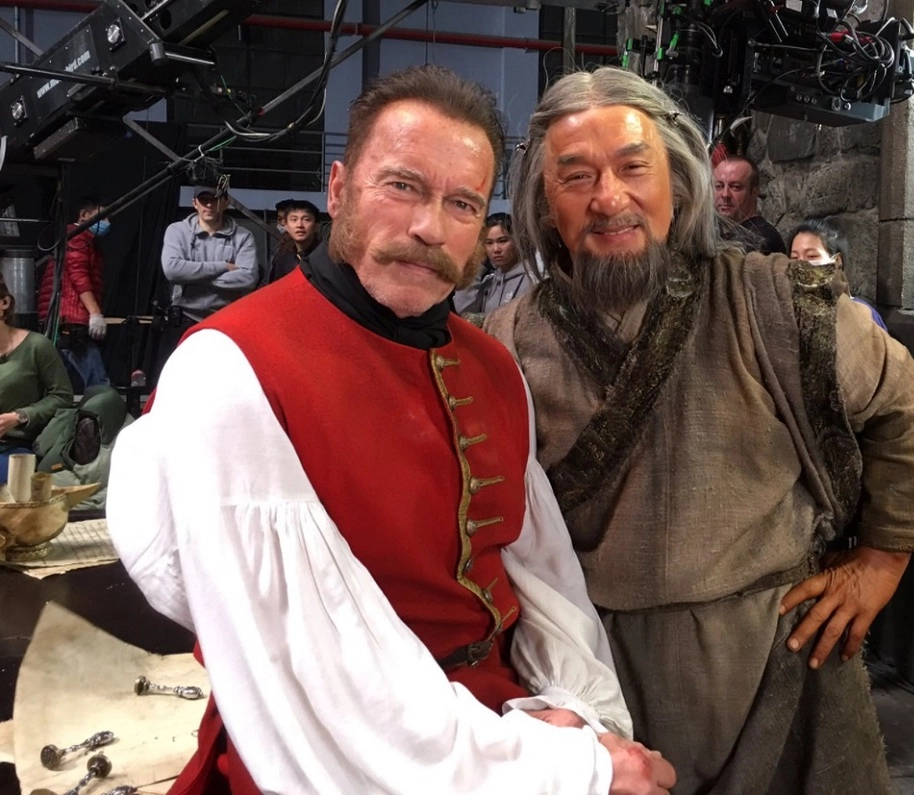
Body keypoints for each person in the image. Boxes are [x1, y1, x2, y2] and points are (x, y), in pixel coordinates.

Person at [108, 65, 674, 795]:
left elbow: (542, 585)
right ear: (338, 189)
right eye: (402, 186)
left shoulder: (496, 369)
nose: (429, 228)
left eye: (462, 203)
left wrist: (569, 709)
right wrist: (571, 769)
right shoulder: (230, 370)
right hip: (337, 760)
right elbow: (321, 689)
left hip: (506, 732)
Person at [487, 67, 914, 794]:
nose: (609, 198)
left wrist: (882, 562)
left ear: (678, 182)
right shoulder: (505, 343)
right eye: (576, 176)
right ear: (545, 203)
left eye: (634, 167)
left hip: (783, 666)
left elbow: (905, 405)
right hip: (595, 679)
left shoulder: (774, 302)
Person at [156, 182, 258, 381]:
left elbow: (248, 278)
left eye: (215, 200)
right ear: (195, 203)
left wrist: (193, 277)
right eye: (204, 200)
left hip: (226, 322)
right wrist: (222, 266)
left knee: (222, 383)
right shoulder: (177, 231)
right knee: (179, 382)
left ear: (225, 203)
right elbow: (172, 270)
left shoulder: (243, 236)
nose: (209, 205)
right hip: (184, 319)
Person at [0, 274, 73, 482]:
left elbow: (62, 396)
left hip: (16, 446)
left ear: (4, 303)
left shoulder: (36, 346)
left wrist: (20, 416)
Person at [37, 196, 110, 388]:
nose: (107, 222)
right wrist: (95, 312)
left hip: (65, 320)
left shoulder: (85, 241)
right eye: (102, 217)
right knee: (99, 383)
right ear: (84, 215)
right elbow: (79, 277)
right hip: (71, 321)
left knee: (59, 385)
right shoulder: (77, 238)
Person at [789, 218, 888, 330]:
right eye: (794, 258)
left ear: (837, 261)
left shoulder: (862, 315)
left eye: (812, 256)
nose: (800, 264)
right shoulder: (784, 311)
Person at [458, 212, 537, 315]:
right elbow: (465, 312)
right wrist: (476, 264)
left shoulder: (532, 279)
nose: (496, 249)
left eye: (502, 241)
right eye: (489, 243)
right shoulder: (489, 282)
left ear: (516, 240)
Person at [713, 155, 787, 254]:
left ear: (755, 191)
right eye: (719, 186)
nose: (725, 194)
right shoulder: (724, 233)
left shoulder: (761, 238)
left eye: (735, 187)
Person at [264, 199, 322, 284]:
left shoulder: (326, 257)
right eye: (294, 220)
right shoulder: (282, 256)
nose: (299, 225)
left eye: (306, 220)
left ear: (317, 226)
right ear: (286, 226)